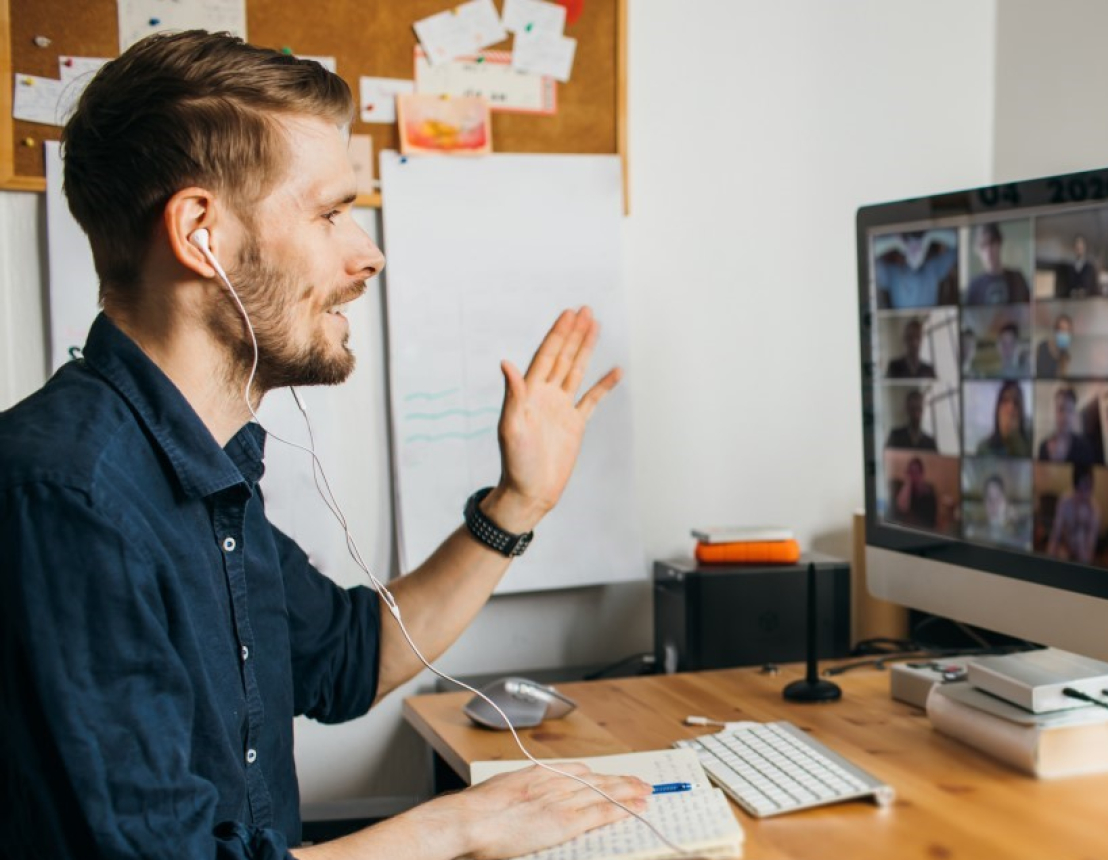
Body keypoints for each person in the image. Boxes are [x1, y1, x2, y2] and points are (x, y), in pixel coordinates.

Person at [0, 32, 652, 860]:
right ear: (201, 233)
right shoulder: (68, 497)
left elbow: (349, 660)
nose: (367, 254)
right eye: (332, 212)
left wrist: (516, 503)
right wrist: (459, 825)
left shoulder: (203, 462)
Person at [875, 231, 958, 309]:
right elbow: (959, 243)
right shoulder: (934, 269)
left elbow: (868, 252)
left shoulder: (891, 275)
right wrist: (930, 236)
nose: (914, 253)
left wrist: (896, 242)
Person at [964, 223, 1030, 305]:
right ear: (978, 250)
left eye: (992, 243)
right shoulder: (974, 286)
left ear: (999, 243)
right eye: (983, 245)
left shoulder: (1017, 278)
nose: (988, 251)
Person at [1047, 462, 1099, 564]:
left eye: (1088, 487)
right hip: (1064, 551)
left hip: (1083, 555)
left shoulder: (1095, 510)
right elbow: (1055, 535)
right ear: (1075, 486)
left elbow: (1089, 551)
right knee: (1062, 555)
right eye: (1081, 487)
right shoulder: (1064, 502)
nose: (1085, 494)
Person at [1037, 385, 1096, 467]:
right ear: (1055, 411)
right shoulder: (1043, 447)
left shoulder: (1084, 447)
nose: (1065, 416)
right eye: (1061, 409)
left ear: (1074, 414)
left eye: (1070, 410)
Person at [978, 381, 1029, 457]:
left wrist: (1016, 440)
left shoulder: (1029, 446)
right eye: (1005, 401)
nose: (1010, 409)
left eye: (1016, 403)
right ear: (997, 410)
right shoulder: (984, 448)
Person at [892, 456, 939, 528]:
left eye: (916, 472)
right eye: (911, 472)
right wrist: (908, 482)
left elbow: (930, 522)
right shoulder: (906, 489)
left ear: (922, 474)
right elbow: (902, 508)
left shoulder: (929, 493)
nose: (914, 476)